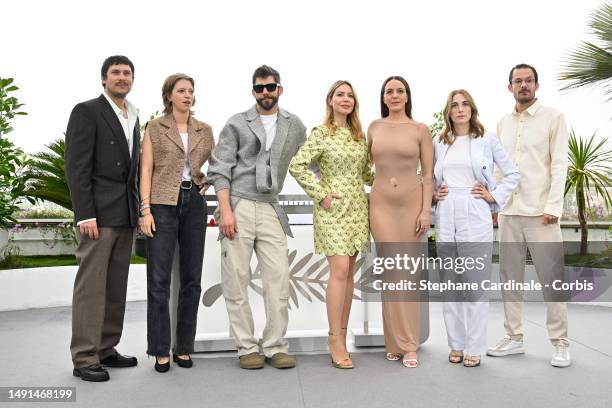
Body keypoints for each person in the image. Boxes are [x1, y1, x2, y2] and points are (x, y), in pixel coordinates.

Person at [207, 65, 306, 370]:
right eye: (260, 88)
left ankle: (276, 346)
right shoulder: (236, 123)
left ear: (280, 89)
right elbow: (219, 169)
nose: (266, 92)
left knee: (279, 280)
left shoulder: (295, 126)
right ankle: (246, 347)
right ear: (253, 91)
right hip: (237, 204)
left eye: (271, 87)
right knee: (236, 280)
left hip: (271, 207)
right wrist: (225, 211)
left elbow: (308, 162)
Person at [486, 63, 571, 367]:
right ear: (509, 87)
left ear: (537, 86)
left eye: (528, 81)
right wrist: (496, 205)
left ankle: (560, 342)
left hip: (541, 214)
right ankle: (514, 337)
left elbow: (560, 164)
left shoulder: (554, 118)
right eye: (517, 81)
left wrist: (553, 207)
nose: (523, 85)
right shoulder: (502, 124)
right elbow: (497, 168)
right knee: (510, 278)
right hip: (509, 213)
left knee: (553, 279)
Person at [65, 55, 140, 382]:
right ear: (104, 79)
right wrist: (85, 214)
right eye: (116, 73)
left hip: (124, 214)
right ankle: (84, 358)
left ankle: (107, 349)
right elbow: (76, 167)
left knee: (114, 287)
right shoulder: (87, 111)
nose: (122, 78)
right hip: (97, 215)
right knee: (91, 288)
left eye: (127, 73)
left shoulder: (133, 116)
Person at [290, 80, 374, 369]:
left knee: (349, 273)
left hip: (357, 208)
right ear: (330, 100)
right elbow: (297, 165)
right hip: (332, 208)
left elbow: (366, 174)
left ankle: (342, 333)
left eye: (350, 95)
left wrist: (393, 180)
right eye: (340, 94)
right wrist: (321, 195)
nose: (346, 99)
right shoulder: (321, 133)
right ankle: (334, 338)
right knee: (338, 270)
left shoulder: (358, 136)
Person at [432, 89, 519, 367]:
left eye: (465, 104)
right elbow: (431, 178)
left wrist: (493, 196)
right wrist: (434, 195)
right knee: (451, 282)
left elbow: (513, 173)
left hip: (474, 208)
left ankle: (474, 347)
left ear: (472, 109)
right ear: (448, 111)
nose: (460, 109)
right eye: (454, 105)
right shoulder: (439, 141)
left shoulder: (487, 139)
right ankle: (455, 344)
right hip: (446, 212)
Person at [138, 73, 214, 373]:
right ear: (169, 95)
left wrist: (210, 178)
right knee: (158, 281)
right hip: (161, 205)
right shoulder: (155, 128)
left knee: (191, 279)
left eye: (191, 91)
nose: (187, 95)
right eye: (181, 90)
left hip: (194, 203)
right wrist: (145, 211)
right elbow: (145, 170)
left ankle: (184, 346)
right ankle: (160, 349)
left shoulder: (204, 129)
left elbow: (220, 160)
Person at [367, 76, 433, 368]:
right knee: (390, 274)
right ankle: (392, 341)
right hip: (380, 206)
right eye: (389, 91)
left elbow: (428, 175)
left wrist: (425, 211)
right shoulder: (373, 127)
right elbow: (360, 166)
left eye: (400, 91)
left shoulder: (420, 129)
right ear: (383, 97)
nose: (394, 95)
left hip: (411, 206)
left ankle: (409, 345)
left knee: (408, 275)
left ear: (407, 96)